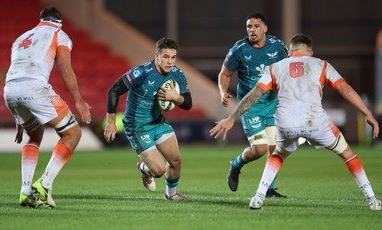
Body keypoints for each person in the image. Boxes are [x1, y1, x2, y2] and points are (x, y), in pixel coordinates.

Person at [210, 33, 381, 211]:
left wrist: (232, 118)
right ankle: (372, 200)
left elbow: (254, 94)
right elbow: (345, 89)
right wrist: (367, 113)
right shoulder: (321, 65)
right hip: (315, 122)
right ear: (311, 53)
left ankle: (258, 197)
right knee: (347, 153)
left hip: (286, 124)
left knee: (277, 155)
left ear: (290, 51)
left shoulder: (275, 67)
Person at [3, 6, 92, 208]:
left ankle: (25, 191)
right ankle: (44, 185)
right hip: (35, 88)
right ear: (59, 21)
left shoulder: (21, 38)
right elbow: (65, 67)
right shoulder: (59, 34)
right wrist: (78, 99)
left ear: (41, 19)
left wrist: (18, 117)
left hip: (10, 91)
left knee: (34, 135)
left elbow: (15, 71)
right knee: (73, 134)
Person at [103, 37, 192, 201]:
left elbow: (188, 104)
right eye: (165, 56)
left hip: (158, 122)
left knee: (176, 160)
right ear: (156, 55)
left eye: (173, 57)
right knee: (159, 171)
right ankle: (145, 168)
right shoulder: (142, 72)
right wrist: (110, 122)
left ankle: (171, 195)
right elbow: (114, 90)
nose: (170, 61)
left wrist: (176, 97)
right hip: (137, 127)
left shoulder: (177, 74)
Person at [218, 13, 288, 197]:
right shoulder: (239, 49)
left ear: (265, 28)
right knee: (259, 149)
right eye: (249, 26)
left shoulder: (278, 46)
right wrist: (222, 92)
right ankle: (236, 165)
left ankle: (269, 188)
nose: (252, 30)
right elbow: (224, 74)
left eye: (256, 26)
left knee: (274, 147)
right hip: (250, 106)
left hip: (272, 103)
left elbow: (287, 70)